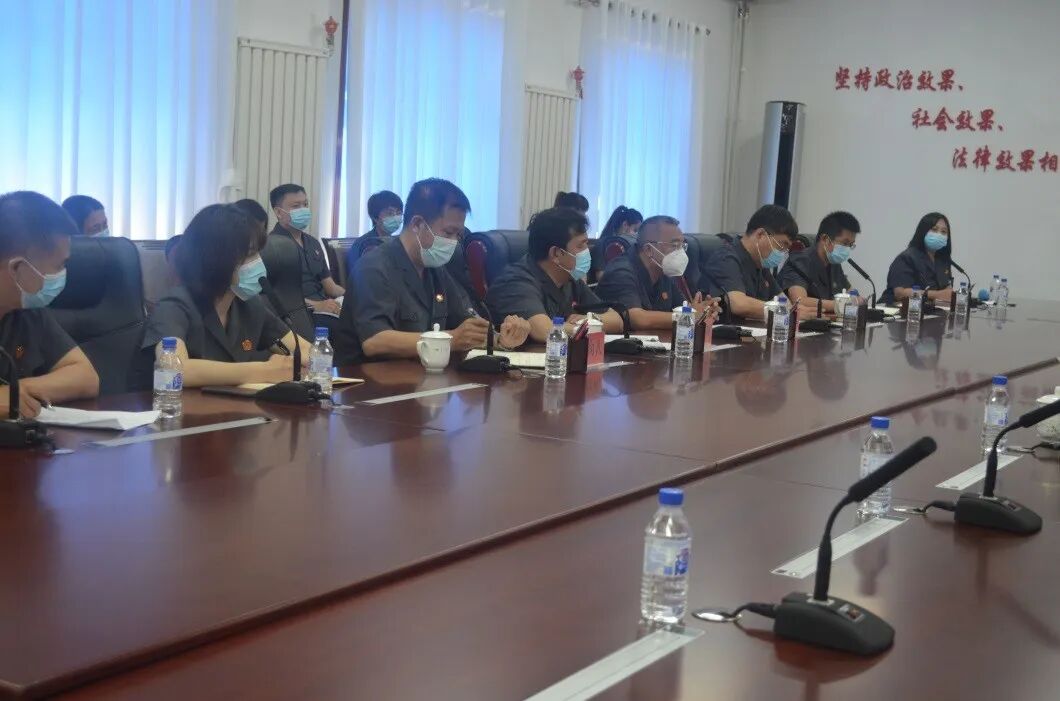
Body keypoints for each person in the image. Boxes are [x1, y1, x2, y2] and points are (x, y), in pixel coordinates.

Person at [333, 178, 530, 364]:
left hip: (423, 378)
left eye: (458, 235)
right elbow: (375, 341)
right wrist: (449, 339)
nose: (454, 242)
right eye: (448, 233)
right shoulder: (374, 267)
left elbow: (466, 325)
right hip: (368, 381)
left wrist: (501, 339)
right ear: (417, 224)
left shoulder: (435, 268)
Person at [143, 204, 311, 386]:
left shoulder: (250, 305)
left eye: (258, 254)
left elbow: (308, 352)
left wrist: (295, 364)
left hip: (239, 402)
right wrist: (265, 370)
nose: (258, 263)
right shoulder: (174, 306)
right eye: (250, 255)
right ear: (215, 260)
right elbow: (174, 370)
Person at [0, 191, 100, 418]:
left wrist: (16, 391)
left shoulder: (28, 314)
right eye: (59, 265)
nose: (63, 274)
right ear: (17, 268)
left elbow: (87, 377)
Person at [486, 207, 624, 342]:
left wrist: (589, 320)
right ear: (556, 253)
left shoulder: (570, 278)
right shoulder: (516, 282)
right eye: (581, 246)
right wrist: (589, 326)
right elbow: (545, 330)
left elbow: (617, 320)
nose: (587, 251)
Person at [596, 215, 716, 332]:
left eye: (682, 246)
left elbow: (683, 309)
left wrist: (702, 311)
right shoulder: (621, 271)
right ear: (649, 250)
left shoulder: (664, 270)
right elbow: (637, 319)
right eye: (674, 245)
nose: (680, 252)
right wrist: (688, 317)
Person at [268, 183, 345, 328]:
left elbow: (331, 287)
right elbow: (274, 297)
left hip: (325, 308)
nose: (303, 210)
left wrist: (353, 297)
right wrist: (316, 305)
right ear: (278, 212)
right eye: (296, 206)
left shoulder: (312, 243)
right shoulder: (271, 247)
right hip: (297, 313)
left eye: (305, 204)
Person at [702, 204, 798, 320]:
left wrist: (784, 309)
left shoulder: (761, 265)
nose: (782, 253)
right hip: (720, 329)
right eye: (782, 245)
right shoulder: (726, 258)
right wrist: (781, 310)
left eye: (786, 249)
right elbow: (739, 304)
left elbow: (785, 303)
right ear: (760, 235)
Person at [780, 211, 859, 315]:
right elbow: (799, 301)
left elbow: (851, 294)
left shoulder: (834, 263)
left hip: (824, 320)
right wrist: (839, 305)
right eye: (845, 243)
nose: (847, 249)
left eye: (851, 245)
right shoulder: (800, 260)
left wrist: (857, 300)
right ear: (825, 239)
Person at [882, 212, 954, 304]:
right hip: (896, 309)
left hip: (929, 309)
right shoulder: (906, 258)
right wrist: (936, 295)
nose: (939, 234)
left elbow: (946, 290)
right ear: (923, 231)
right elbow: (900, 293)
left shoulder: (943, 261)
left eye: (943, 232)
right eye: (934, 229)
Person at [592, 205, 643, 279]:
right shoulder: (603, 244)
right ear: (625, 225)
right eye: (635, 230)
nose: (637, 235)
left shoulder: (631, 246)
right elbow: (601, 277)